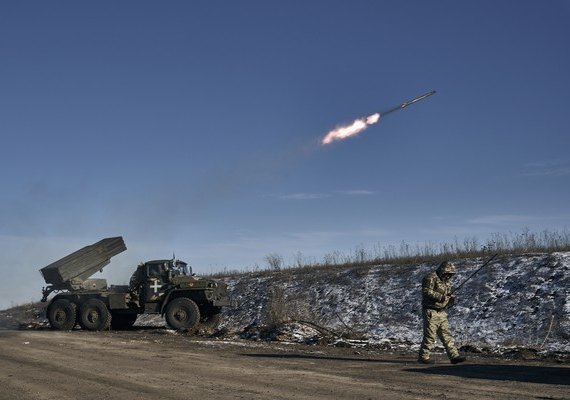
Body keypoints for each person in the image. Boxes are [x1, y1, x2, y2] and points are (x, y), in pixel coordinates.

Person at [418, 261, 466, 364]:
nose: (449, 275)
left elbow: (447, 294)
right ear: (443, 270)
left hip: (442, 311)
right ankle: (423, 357)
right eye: (448, 273)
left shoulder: (447, 282)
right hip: (431, 311)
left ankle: (454, 356)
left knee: (446, 335)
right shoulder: (430, 277)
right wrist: (441, 297)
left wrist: (450, 299)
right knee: (430, 336)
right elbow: (426, 291)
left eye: (451, 274)